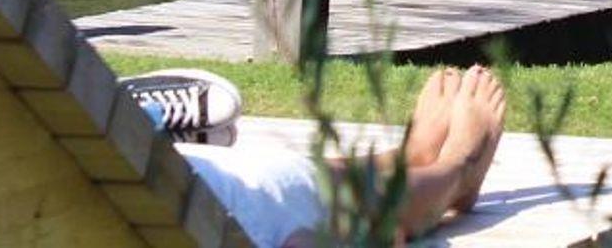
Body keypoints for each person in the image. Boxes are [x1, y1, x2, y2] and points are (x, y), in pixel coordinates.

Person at [149, 65, 506, 246]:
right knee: (293, 185)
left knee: (279, 179)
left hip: (170, 188)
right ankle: (459, 170)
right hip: (214, 211)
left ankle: (409, 156)